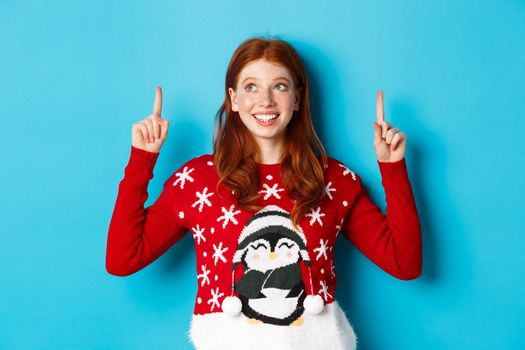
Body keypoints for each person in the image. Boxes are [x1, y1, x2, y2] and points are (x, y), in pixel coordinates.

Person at [106, 37, 422, 350]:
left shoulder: (334, 180)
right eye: (251, 87)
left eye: (280, 87)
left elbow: (404, 264)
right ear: (233, 98)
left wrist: (392, 166)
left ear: (297, 98)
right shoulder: (198, 181)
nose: (266, 101)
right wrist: (141, 159)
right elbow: (122, 259)